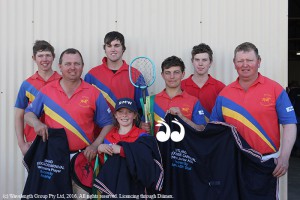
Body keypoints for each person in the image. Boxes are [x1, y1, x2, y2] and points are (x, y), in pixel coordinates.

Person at [24, 48, 113, 197]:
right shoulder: (47, 90)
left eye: (77, 64)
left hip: (83, 160)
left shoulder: (93, 92)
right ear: (60, 66)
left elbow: (108, 123)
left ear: (82, 66)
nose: (72, 67)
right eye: (68, 64)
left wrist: (95, 145)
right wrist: (37, 124)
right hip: (52, 161)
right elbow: (28, 114)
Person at [210, 42, 297, 182]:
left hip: (267, 161)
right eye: (240, 61)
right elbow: (214, 128)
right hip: (234, 161)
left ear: (259, 61)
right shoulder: (224, 94)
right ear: (234, 63)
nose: (245, 65)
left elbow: (289, 124)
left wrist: (285, 157)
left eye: (249, 60)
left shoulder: (275, 89)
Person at [94, 97, 164, 196]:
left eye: (129, 112)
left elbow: (146, 161)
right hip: (113, 187)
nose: (124, 115)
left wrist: (122, 150)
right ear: (115, 115)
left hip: (136, 187)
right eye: (120, 112)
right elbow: (106, 164)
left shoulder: (143, 136)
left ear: (135, 115)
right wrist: (100, 149)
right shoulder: (109, 136)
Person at [14, 40, 61, 156]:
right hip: (33, 142)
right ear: (34, 58)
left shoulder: (62, 81)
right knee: (33, 175)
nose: (44, 59)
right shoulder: (27, 85)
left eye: (48, 55)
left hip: (58, 142)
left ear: (53, 57)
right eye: (40, 56)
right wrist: (22, 144)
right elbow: (19, 116)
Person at [84, 31, 146, 114]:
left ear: (123, 48)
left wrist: (142, 122)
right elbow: (85, 107)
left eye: (116, 46)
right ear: (105, 49)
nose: (113, 49)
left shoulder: (135, 75)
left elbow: (143, 107)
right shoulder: (91, 75)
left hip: (127, 126)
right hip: (101, 127)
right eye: (109, 46)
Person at [143, 56, 206, 135]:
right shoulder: (151, 101)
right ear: (162, 75)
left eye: (176, 72)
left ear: (183, 74)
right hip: (157, 147)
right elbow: (143, 127)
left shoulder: (193, 101)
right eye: (167, 73)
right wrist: (142, 126)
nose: (172, 77)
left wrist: (182, 117)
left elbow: (202, 129)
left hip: (185, 147)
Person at [181, 43, 225, 121]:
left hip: (212, 131)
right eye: (197, 60)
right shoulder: (181, 86)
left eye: (204, 60)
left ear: (210, 62)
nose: (200, 64)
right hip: (187, 131)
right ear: (192, 61)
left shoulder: (220, 87)